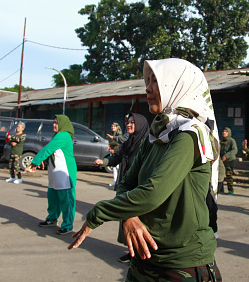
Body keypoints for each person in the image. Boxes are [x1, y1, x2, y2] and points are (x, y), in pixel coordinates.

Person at [69, 58, 222, 281]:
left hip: (183, 264)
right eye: (147, 81)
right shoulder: (158, 132)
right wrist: (129, 215)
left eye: (156, 81)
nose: (148, 88)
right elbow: (126, 183)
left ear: (178, 86)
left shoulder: (190, 134)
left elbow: (152, 193)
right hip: (142, 260)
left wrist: (99, 213)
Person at [93, 112, 149, 263]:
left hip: (138, 186)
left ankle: (140, 253)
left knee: (138, 220)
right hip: (126, 184)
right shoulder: (128, 141)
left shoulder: (146, 143)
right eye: (128, 122)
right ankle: (132, 251)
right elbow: (116, 158)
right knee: (126, 219)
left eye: (133, 122)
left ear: (141, 125)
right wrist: (103, 162)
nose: (129, 125)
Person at [27, 115, 77, 235]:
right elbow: (55, 152)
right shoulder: (58, 135)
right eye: (54, 123)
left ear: (63, 124)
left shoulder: (63, 135)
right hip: (54, 173)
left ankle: (67, 225)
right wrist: (44, 161)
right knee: (53, 197)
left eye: (56, 123)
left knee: (66, 200)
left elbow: (48, 149)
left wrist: (35, 162)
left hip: (64, 173)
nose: (54, 125)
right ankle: (52, 219)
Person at [220, 127, 237, 194]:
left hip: (230, 161)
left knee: (228, 176)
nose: (224, 133)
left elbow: (234, 150)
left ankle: (230, 190)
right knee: (220, 175)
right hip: (222, 161)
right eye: (223, 131)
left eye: (226, 131)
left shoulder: (231, 141)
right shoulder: (221, 141)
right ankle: (221, 188)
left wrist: (226, 156)